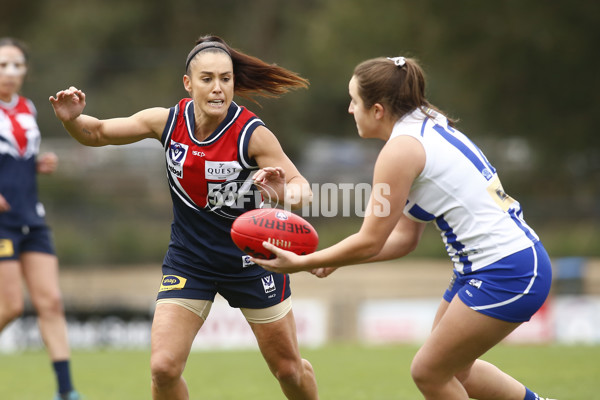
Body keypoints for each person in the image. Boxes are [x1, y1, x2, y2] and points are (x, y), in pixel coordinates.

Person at [254, 56, 555, 400]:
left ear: (378, 110)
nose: (351, 110)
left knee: (428, 372)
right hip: (492, 266)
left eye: (354, 101)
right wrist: (334, 259)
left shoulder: (399, 151)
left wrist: (302, 262)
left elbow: (370, 240)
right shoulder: (423, 125)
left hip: (508, 269)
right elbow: (403, 238)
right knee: (456, 372)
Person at [49, 35, 318, 400]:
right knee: (163, 368)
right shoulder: (166, 122)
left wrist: (282, 189)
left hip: (252, 264)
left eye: (226, 78)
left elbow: (304, 190)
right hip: (190, 262)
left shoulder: (252, 134)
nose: (218, 87)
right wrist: (71, 120)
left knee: (288, 369)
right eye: (207, 78)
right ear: (188, 84)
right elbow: (96, 133)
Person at [0, 37, 82, 400]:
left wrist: (39, 164)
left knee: (50, 302)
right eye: (3, 65)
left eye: (17, 65)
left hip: (31, 217)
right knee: (12, 306)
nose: (10, 72)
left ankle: (66, 392)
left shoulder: (28, 108)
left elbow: (16, 160)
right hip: (1, 223)